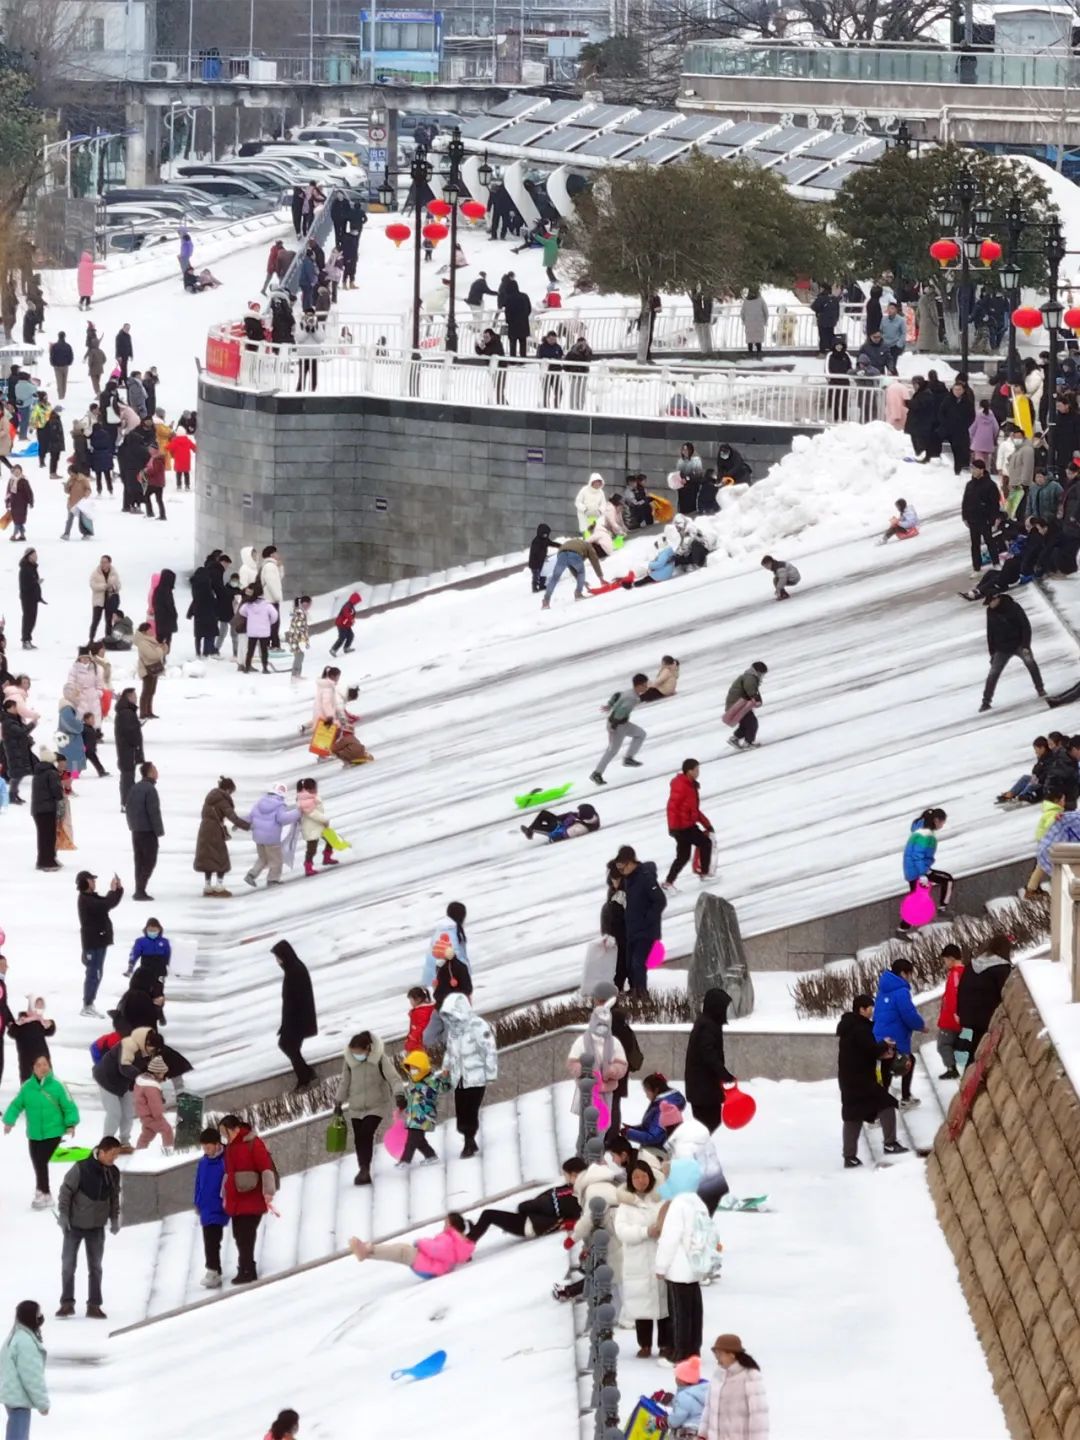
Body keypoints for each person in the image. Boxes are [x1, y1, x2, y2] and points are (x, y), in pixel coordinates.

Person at [655, 1158, 714, 1362]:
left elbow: (670, 1239)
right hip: (695, 1265)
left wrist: (661, 1266)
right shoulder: (698, 1202)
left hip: (678, 1268)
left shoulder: (678, 1204)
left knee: (679, 1313)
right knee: (694, 1311)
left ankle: (680, 1354)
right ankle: (694, 1350)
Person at [56, 1138, 122, 1319]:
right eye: (112, 1154)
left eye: (117, 1155)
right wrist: (63, 1215)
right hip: (74, 1226)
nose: (114, 1158)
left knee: (96, 1267)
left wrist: (114, 1217)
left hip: (97, 1227)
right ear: (101, 1151)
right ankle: (67, 1304)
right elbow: (65, 1191)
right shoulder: (81, 1168)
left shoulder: (113, 1172)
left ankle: (94, 1305)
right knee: (68, 1265)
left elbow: (114, 1196)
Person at [837, 994, 906, 1167]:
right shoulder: (860, 1028)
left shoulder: (848, 1027)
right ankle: (890, 1143)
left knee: (852, 1114)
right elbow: (870, 1049)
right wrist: (884, 1044)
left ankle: (849, 1157)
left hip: (848, 1080)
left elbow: (860, 1053)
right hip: (861, 1080)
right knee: (887, 1103)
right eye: (870, 1008)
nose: (872, 1011)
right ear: (862, 1009)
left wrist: (880, 1052)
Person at [2, 1056, 79, 1208]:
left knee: (41, 1161)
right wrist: (9, 1121)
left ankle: (43, 1192)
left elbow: (69, 1106)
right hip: (34, 1133)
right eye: (39, 1065)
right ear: (33, 1068)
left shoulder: (57, 1085)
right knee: (37, 1162)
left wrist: (70, 1124)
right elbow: (16, 1105)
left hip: (54, 1131)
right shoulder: (27, 1087)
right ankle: (43, 1192)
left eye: (45, 1064)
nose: (43, 1067)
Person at [614, 1158, 671, 1358]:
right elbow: (622, 1231)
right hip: (637, 1260)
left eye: (644, 1176)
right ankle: (644, 1344)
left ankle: (665, 1344)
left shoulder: (660, 1199)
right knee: (641, 1305)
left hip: (659, 1256)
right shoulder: (626, 1205)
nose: (641, 1181)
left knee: (664, 1305)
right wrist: (645, 1232)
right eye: (636, 1177)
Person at [433, 992, 497, 1159]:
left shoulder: (478, 1025)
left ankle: (469, 1141)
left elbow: (489, 1049)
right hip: (459, 1078)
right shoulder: (453, 1031)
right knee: (461, 1110)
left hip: (476, 1077)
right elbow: (450, 1051)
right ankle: (469, 1138)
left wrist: (490, 1073)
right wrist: (446, 1068)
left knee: (471, 1109)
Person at [333, 1030, 399, 1186]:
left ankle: (364, 1169)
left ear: (368, 1048)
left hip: (377, 1105)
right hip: (356, 1107)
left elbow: (393, 1078)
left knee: (366, 1133)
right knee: (359, 1139)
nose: (356, 1056)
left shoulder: (380, 1059)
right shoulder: (349, 1061)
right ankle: (364, 1169)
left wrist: (400, 1094)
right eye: (353, 1053)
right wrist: (338, 1102)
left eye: (359, 1053)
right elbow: (345, 1081)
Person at [469, 1158, 587, 1243]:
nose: (565, 1178)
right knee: (490, 1216)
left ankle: (467, 1243)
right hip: (532, 1220)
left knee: (488, 1215)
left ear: (574, 1175)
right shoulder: (573, 1189)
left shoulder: (572, 1195)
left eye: (566, 1175)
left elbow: (545, 1205)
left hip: (532, 1224)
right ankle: (468, 1238)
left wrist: (524, 1207)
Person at [220, 1114, 277, 1285]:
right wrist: (225, 1193)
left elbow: (265, 1168)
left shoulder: (253, 1143)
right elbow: (228, 1173)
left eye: (226, 1132)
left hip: (252, 1196)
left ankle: (247, 1269)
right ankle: (245, 1268)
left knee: (245, 1235)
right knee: (239, 1235)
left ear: (235, 1129)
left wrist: (268, 1191)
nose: (225, 1136)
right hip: (236, 1198)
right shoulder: (230, 1147)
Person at [348, 1213, 475, 1276]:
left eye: (446, 1223)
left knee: (401, 1251)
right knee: (399, 1250)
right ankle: (367, 1251)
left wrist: (420, 1242)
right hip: (428, 1264)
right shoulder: (455, 1242)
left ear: (452, 1225)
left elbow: (436, 1249)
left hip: (427, 1265)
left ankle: (367, 1251)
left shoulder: (449, 1239)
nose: (444, 1226)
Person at [871, 958, 925, 1106]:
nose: (910, 978)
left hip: (879, 1036)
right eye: (909, 974)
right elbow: (908, 1014)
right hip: (893, 1038)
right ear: (903, 973)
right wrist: (921, 1026)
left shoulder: (882, 990)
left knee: (887, 1068)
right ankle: (903, 1098)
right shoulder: (901, 991)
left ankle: (882, 1102)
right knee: (908, 1061)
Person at [980, 592, 1045, 713]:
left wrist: (1025, 645)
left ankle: (1040, 688)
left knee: (1030, 663)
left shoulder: (1013, 607)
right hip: (1002, 648)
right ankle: (986, 701)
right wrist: (992, 653)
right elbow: (990, 632)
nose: (990, 605)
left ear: (997, 599)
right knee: (993, 673)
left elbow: (1025, 625)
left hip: (1019, 644)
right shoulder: (990, 611)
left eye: (991, 602)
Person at [614, 845, 666, 993]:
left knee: (638, 964)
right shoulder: (628, 880)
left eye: (622, 868)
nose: (621, 871)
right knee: (629, 966)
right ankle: (636, 994)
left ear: (631, 862)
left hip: (646, 932)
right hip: (632, 931)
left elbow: (660, 901)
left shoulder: (645, 877)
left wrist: (646, 920)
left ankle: (643, 997)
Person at [699, 1335, 770, 1439]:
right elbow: (709, 1408)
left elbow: (758, 1416)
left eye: (720, 1354)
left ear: (732, 1355)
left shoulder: (750, 1376)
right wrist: (702, 1435)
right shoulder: (718, 1375)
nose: (717, 1358)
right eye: (716, 1354)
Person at [956, 936, 1013, 1066]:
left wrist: (961, 1013)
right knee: (982, 1051)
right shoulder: (1001, 969)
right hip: (989, 1017)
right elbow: (1006, 993)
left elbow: (961, 989)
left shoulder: (972, 965)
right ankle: (972, 1074)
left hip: (969, 1015)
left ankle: (969, 1072)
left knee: (977, 1046)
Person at [684, 989, 735, 1132]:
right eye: (723, 1007)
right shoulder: (707, 1026)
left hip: (704, 1088)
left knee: (709, 1124)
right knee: (707, 1125)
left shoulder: (708, 1023)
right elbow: (709, 1055)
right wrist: (725, 1075)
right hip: (703, 1089)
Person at [76, 870, 123, 1017]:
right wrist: (113, 891)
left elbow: (109, 903)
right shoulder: (86, 900)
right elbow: (105, 904)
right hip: (92, 943)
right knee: (93, 974)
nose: (94, 882)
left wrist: (117, 890)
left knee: (97, 973)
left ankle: (89, 1004)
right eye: (92, 880)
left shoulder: (91, 897)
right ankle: (87, 1005)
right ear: (85, 882)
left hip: (99, 941)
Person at [272, 940, 318, 1090]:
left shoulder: (294, 971)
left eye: (278, 957)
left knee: (287, 1045)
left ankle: (306, 1076)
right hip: (296, 1019)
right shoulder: (294, 968)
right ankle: (306, 1075)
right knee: (289, 1046)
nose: (277, 961)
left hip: (298, 1020)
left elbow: (294, 1001)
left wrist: (288, 1024)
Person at [0, 1300, 49, 1436]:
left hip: (13, 1395)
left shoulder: (15, 1336)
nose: (41, 1317)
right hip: (18, 1399)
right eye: (38, 1314)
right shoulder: (25, 1342)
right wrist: (42, 1404)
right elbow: (32, 1376)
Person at [590, 674, 648, 784]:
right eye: (645, 685)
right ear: (638, 686)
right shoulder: (632, 698)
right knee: (612, 751)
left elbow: (617, 695)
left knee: (641, 734)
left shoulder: (630, 693)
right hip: (617, 726)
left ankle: (628, 758)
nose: (646, 687)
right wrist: (613, 726)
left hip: (623, 724)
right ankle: (597, 773)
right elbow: (620, 712)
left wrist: (610, 705)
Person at [397, 1050, 453, 1165]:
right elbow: (412, 1098)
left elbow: (444, 1088)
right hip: (413, 1116)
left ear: (422, 1068)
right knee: (418, 1140)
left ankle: (404, 1161)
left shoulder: (432, 1081)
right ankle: (431, 1156)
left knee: (412, 1140)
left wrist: (445, 1078)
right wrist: (404, 1105)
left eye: (415, 1068)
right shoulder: (413, 1083)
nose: (412, 1071)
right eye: (410, 1069)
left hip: (424, 1116)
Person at [899, 806, 952, 928]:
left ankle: (902, 929)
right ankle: (942, 909)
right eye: (942, 822)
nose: (942, 826)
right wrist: (923, 874)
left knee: (916, 901)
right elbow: (917, 856)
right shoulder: (925, 835)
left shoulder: (920, 830)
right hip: (918, 870)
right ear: (936, 820)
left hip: (913, 870)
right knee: (947, 880)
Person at [665, 758, 714, 887]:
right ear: (689, 771)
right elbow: (673, 807)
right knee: (705, 843)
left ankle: (668, 883)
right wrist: (675, 828)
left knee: (683, 856)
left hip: (683, 826)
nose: (698, 772)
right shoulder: (683, 787)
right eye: (696, 770)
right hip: (683, 827)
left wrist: (706, 824)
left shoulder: (689, 785)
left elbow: (693, 809)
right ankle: (704, 874)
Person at [245, 783, 300, 889]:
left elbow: (250, 816)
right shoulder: (279, 805)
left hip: (258, 837)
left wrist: (239, 823)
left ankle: (251, 875)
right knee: (276, 860)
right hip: (271, 838)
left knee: (263, 858)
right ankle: (273, 879)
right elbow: (282, 819)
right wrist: (298, 813)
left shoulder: (260, 802)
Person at [193, 1127, 228, 1288]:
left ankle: (212, 1270)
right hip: (206, 1207)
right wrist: (197, 1201)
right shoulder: (203, 1162)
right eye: (204, 1147)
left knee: (212, 1240)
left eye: (208, 1147)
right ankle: (215, 1270)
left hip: (218, 1206)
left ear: (217, 1144)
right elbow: (198, 1183)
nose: (206, 1150)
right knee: (209, 1240)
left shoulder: (225, 1161)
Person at [125, 761, 163, 901]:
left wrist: (132, 825)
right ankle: (140, 890)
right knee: (149, 861)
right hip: (148, 831)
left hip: (136, 830)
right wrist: (158, 831)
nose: (157, 771)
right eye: (155, 769)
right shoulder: (150, 790)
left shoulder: (135, 787)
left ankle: (139, 889)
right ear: (150, 772)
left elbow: (128, 808)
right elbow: (154, 812)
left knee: (139, 861)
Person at [962, 460, 1002, 575]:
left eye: (975, 469)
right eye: (972, 469)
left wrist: (994, 518)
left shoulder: (990, 485)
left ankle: (996, 563)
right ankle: (976, 567)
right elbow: (965, 501)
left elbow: (995, 503)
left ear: (981, 470)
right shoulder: (969, 485)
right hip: (972, 519)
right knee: (975, 544)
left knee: (990, 541)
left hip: (985, 519)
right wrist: (965, 516)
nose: (973, 471)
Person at [543, 537, 603, 609]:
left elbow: (571, 567)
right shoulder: (589, 546)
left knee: (555, 578)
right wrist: (601, 578)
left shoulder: (577, 543)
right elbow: (595, 562)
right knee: (581, 572)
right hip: (574, 553)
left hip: (561, 554)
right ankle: (578, 594)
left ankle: (546, 601)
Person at [935, 944, 965, 1080]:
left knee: (943, 1045)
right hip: (957, 1017)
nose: (945, 963)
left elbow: (953, 995)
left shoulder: (955, 974)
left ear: (951, 959)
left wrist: (954, 1013)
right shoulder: (964, 972)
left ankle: (951, 1069)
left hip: (950, 1019)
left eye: (945, 960)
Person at [30, 751, 63, 873]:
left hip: (37, 809)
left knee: (42, 836)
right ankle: (47, 861)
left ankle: (42, 860)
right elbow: (56, 790)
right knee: (49, 836)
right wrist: (60, 797)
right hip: (48, 809)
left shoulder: (37, 773)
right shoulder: (51, 773)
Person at [112, 687, 143, 813]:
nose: (136, 698)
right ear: (128, 697)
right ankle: (126, 802)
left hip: (126, 751)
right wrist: (136, 745)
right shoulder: (126, 713)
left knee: (128, 777)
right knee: (127, 778)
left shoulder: (127, 712)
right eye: (134, 696)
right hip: (127, 751)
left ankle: (128, 802)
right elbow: (130, 732)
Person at [724, 661, 767, 750]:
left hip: (737, 705)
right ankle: (748, 743)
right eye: (762, 674)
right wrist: (756, 699)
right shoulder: (750, 678)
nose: (762, 677)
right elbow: (751, 690)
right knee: (752, 723)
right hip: (738, 705)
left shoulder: (748, 676)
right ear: (758, 672)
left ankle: (735, 739)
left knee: (746, 724)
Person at [1, 699, 35, 807]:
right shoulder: (8, 721)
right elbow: (21, 732)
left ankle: (14, 794)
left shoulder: (14, 719)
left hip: (18, 749)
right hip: (13, 750)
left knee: (19, 773)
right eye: (14, 707)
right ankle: (12, 796)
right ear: (9, 708)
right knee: (16, 774)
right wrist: (33, 723)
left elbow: (23, 730)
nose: (16, 709)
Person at [133, 623, 167, 721]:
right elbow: (152, 655)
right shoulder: (143, 642)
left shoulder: (151, 640)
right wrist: (159, 649)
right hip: (147, 670)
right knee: (146, 692)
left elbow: (161, 653)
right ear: (144, 631)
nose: (152, 631)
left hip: (153, 669)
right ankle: (143, 712)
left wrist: (163, 646)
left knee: (151, 691)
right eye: (149, 629)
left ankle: (149, 711)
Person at [239, 591, 278, 674]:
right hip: (264, 631)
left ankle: (247, 667)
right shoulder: (268, 605)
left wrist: (249, 616)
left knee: (250, 650)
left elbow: (241, 611)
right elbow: (275, 615)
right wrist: (270, 622)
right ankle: (265, 668)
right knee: (264, 650)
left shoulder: (248, 605)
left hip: (252, 630)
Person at [520, 803, 600, 842]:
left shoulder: (580, 828)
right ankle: (530, 830)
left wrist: (566, 823)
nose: (578, 812)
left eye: (579, 812)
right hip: (565, 825)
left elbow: (564, 835)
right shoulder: (593, 816)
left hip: (558, 834)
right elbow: (576, 815)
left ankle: (531, 830)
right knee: (544, 814)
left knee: (538, 827)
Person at [528, 523, 560, 592]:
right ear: (540, 533)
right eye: (544, 534)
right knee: (536, 575)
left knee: (543, 572)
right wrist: (543, 557)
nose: (546, 535)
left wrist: (560, 546)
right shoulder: (536, 541)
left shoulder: (545, 539)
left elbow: (552, 543)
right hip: (534, 562)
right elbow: (535, 552)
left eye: (547, 534)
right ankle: (534, 587)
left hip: (541, 561)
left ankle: (541, 586)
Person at [285, 596, 311, 680]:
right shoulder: (300, 613)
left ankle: (297, 675)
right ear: (305, 604)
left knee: (300, 656)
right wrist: (303, 640)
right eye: (309, 604)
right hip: (297, 639)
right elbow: (299, 628)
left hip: (295, 638)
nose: (309, 606)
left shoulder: (300, 612)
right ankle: (295, 675)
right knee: (299, 656)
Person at [330, 591, 361, 657]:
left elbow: (350, 614)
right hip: (341, 624)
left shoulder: (351, 606)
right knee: (342, 637)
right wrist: (351, 619)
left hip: (346, 624)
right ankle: (333, 650)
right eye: (357, 601)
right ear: (354, 600)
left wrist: (351, 622)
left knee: (351, 635)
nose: (357, 603)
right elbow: (346, 613)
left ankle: (346, 648)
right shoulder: (347, 605)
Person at [5, 466, 32, 543]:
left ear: (21, 471)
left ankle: (14, 534)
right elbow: (8, 492)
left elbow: (28, 492)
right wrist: (7, 502)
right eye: (15, 471)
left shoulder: (24, 480)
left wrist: (30, 502)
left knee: (18, 519)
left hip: (22, 503)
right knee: (16, 519)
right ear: (13, 472)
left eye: (18, 471)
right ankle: (22, 535)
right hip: (13, 503)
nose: (16, 472)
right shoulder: (11, 480)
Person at [740, 288, 768, 357]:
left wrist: (744, 320)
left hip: (749, 322)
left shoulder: (746, 301)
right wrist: (765, 320)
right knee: (758, 338)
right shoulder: (761, 300)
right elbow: (766, 311)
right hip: (759, 322)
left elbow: (742, 312)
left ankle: (750, 352)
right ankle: (759, 352)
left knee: (750, 338)